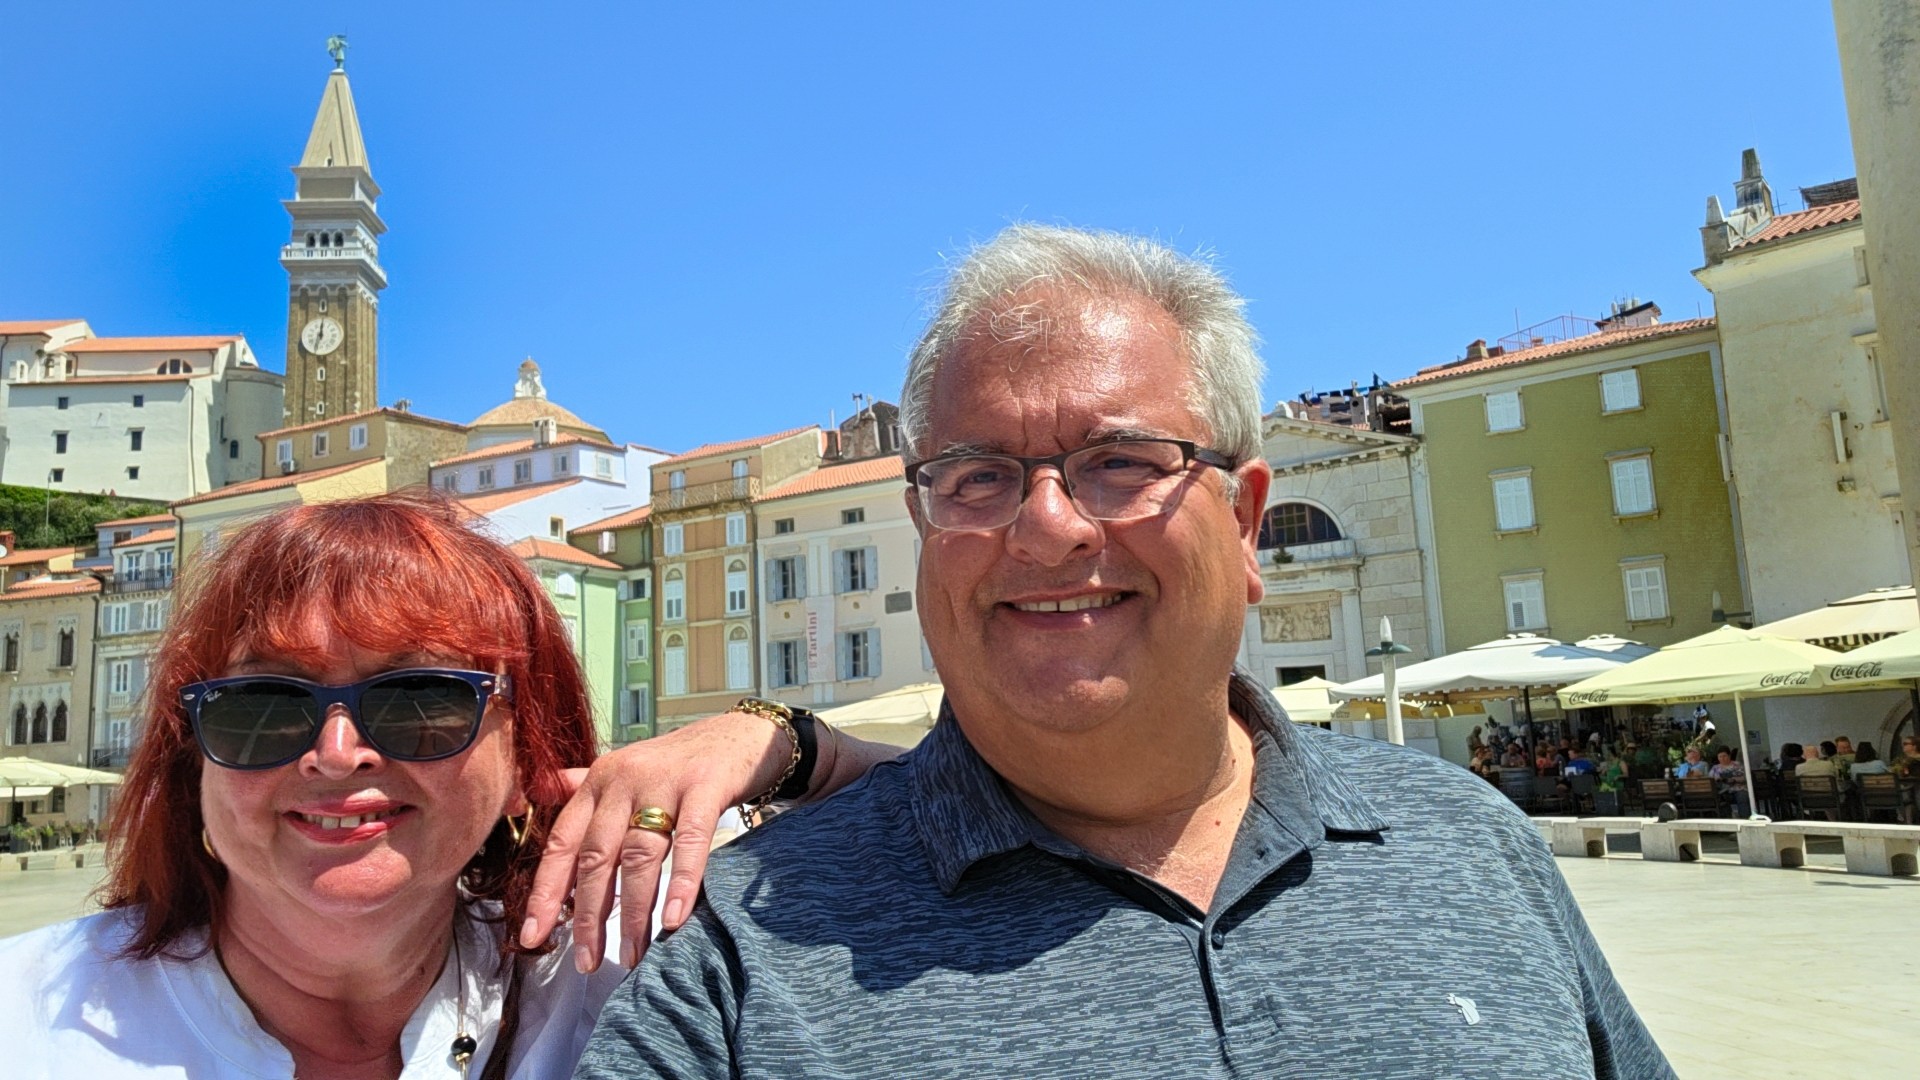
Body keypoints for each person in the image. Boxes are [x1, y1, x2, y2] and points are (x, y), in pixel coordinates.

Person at [579, 225, 1671, 1078]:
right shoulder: (729, 963)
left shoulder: (1473, 847)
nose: (1047, 527)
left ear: (1246, 523)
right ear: (923, 529)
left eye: (1122, 461)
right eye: (978, 476)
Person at [0, 492, 899, 1078]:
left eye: (422, 701)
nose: (338, 753)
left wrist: (778, 739)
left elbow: (960, 812)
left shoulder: (610, 967)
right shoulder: (27, 1020)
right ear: (192, 756)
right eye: (263, 707)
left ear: (526, 759)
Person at [1709, 749, 1750, 818]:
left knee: (1742, 797)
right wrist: (1717, 779)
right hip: (1723, 791)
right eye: (1720, 757)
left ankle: (1745, 819)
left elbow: (1745, 777)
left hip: (1738, 789)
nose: (1722, 758)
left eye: (1724, 756)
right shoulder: (1715, 768)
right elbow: (1710, 780)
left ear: (1729, 756)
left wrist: (1733, 779)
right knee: (1719, 799)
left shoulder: (1737, 765)